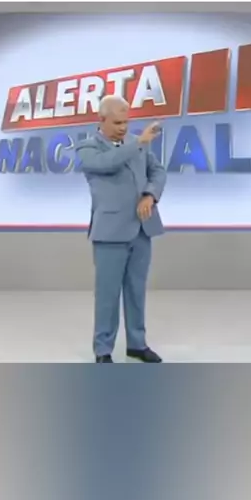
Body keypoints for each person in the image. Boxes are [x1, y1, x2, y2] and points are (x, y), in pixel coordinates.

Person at [76, 95, 167, 363]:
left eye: (126, 122)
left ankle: (137, 344)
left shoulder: (136, 143)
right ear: (101, 119)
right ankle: (103, 350)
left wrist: (150, 195)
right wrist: (139, 143)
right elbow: (107, 163)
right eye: (117, 123)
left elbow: (158, 171)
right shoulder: (88, 148)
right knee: (107, 295)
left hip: (141, 230)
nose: (123, 128)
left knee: (136, 291)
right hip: (110, 232)